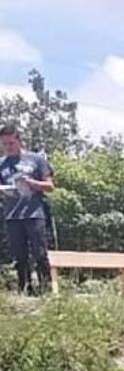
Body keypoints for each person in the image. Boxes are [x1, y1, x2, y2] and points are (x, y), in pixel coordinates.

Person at [0, 125, 55, 295]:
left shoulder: (36, 159)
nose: (8, 147)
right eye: (4, 144)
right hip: (11, 216)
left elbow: (50, 186)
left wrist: (32, 183)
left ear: (19, 141)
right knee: (19, 256)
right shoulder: (1, 164)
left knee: (39, 253)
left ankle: (45, 290)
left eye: (11, 143)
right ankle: (24, 289)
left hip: (34, 214)